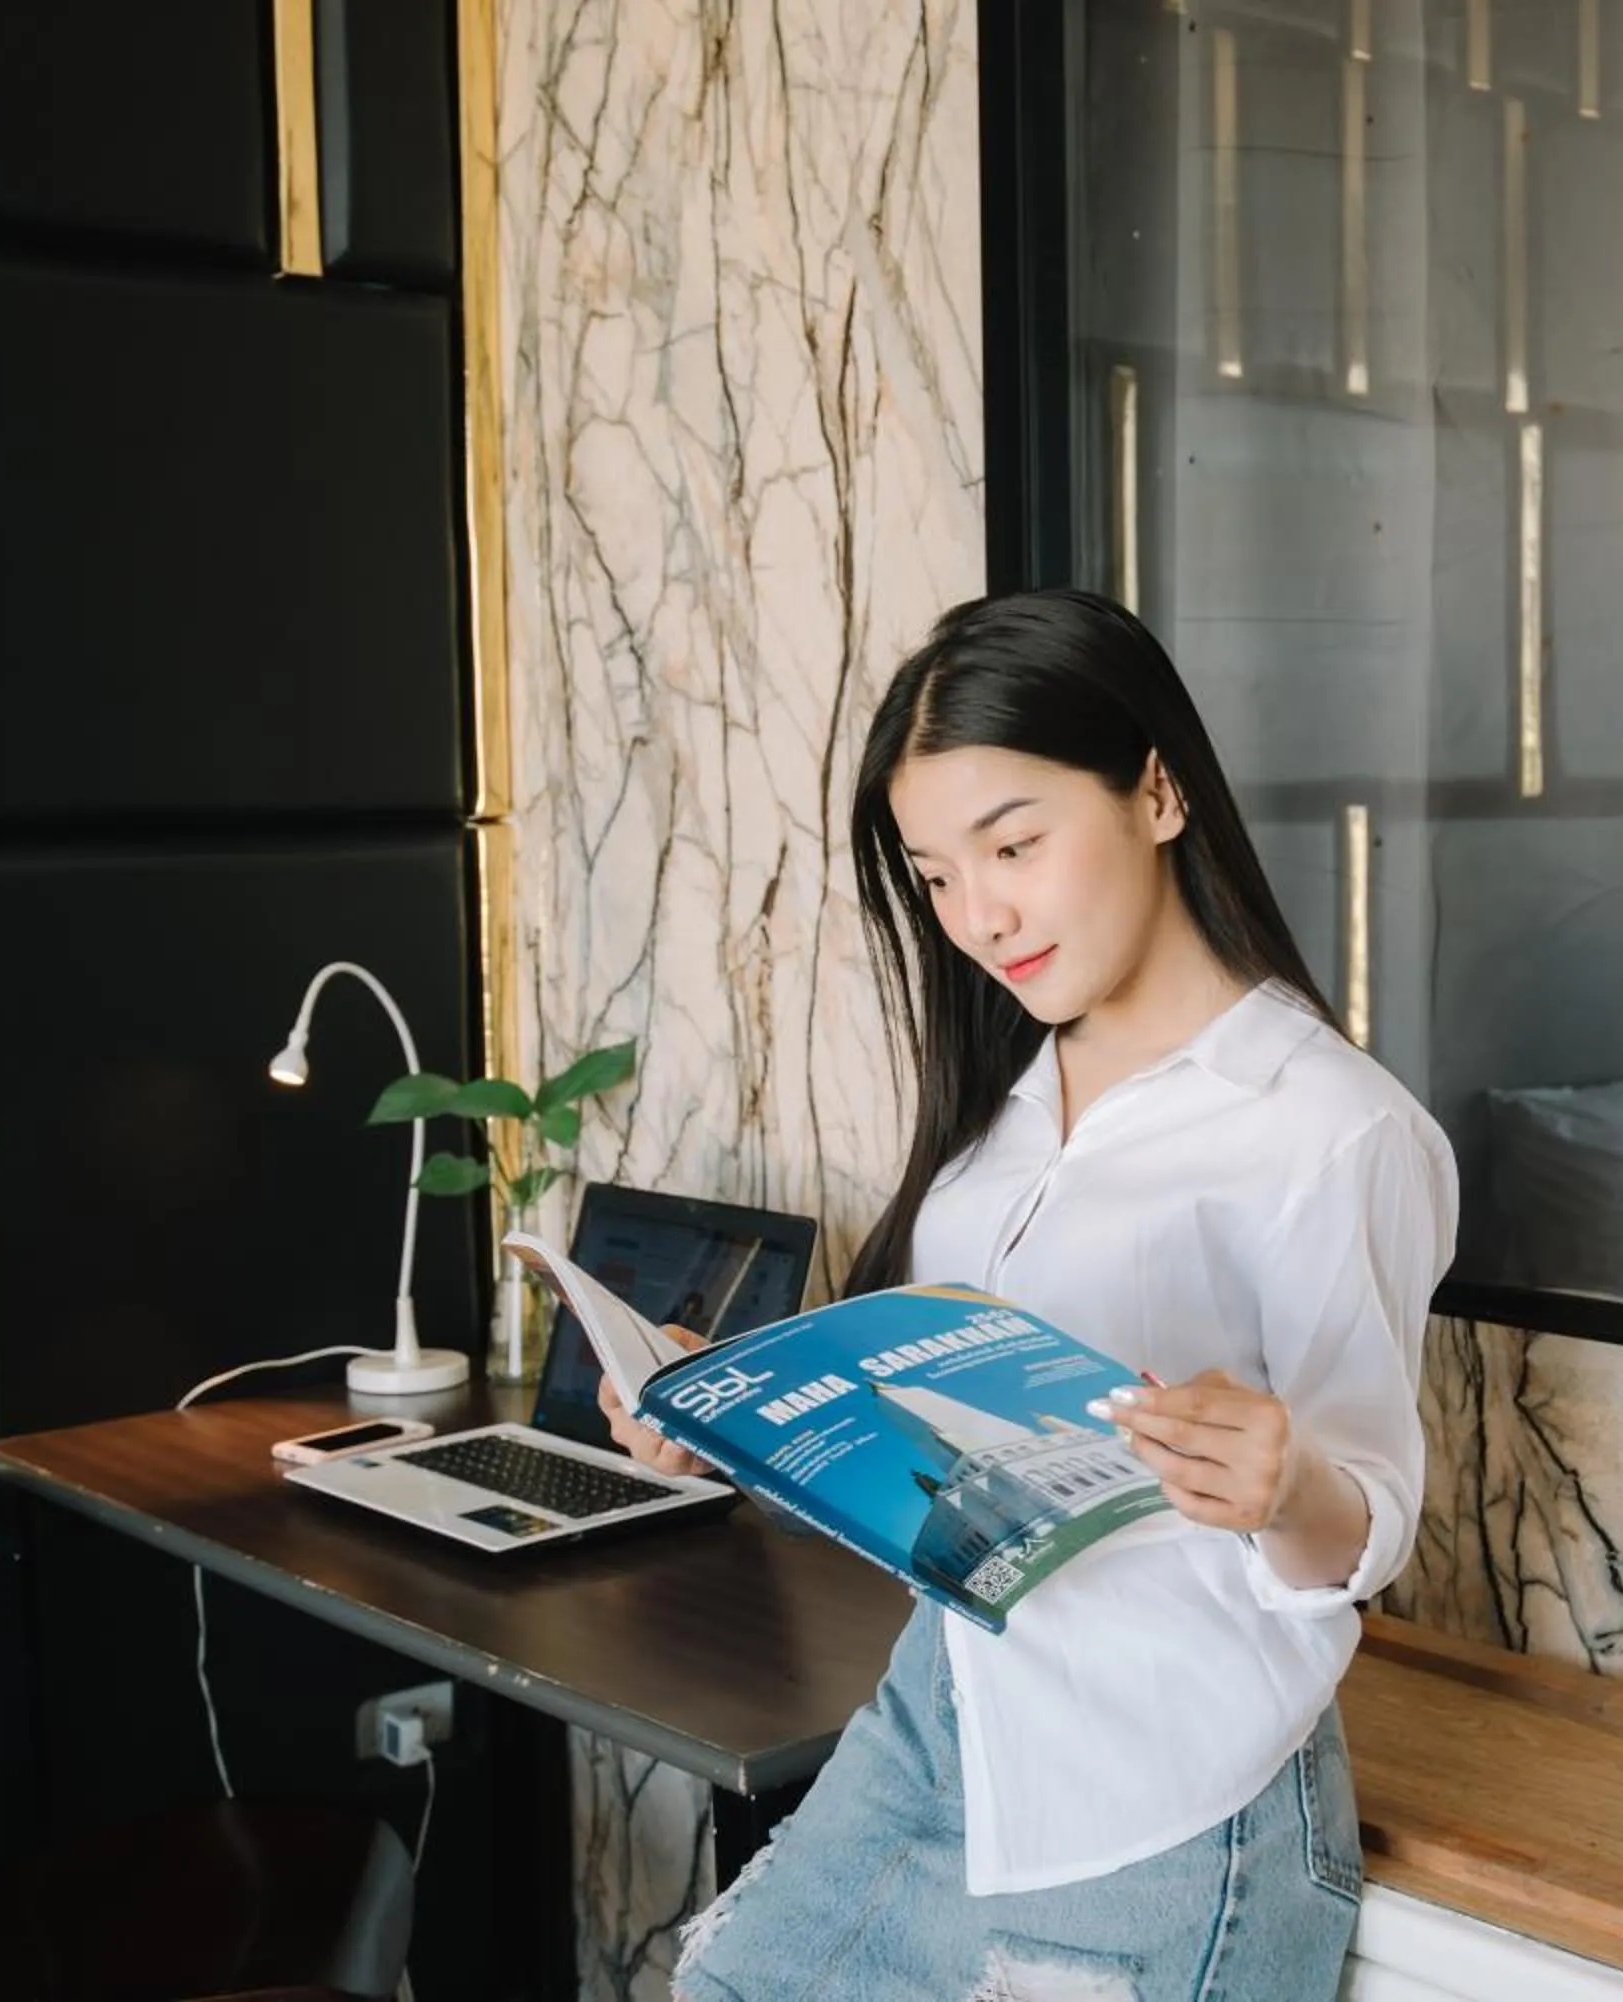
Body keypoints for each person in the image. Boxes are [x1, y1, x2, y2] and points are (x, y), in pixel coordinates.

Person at [602, 588, 1456, 2001]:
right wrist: (735, 1420)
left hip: (1165, 1781)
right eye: (937, 875)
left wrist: (1284, 1476)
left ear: (1159, 790)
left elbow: (1368, 1518)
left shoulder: (1326, 1125)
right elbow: (952, 1451)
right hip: (942, 1721)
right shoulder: (1001, 1111)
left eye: (1014, 844)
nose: (978, 913)